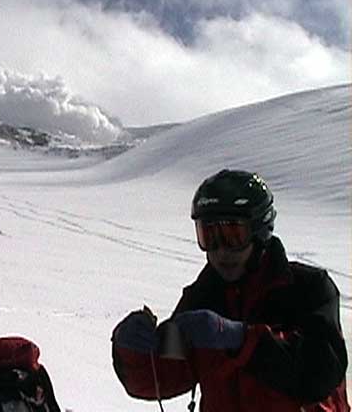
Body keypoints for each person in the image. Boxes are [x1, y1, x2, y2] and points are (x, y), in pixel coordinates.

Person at [112, 169, 349, 411]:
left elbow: (321, 375)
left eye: (233, 235)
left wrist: (242, 340)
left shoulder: (307, 289)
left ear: (259, 232)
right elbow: (164, 374)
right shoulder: (202, 298)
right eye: (209, 236)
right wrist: (133, 352)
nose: (221, 251)